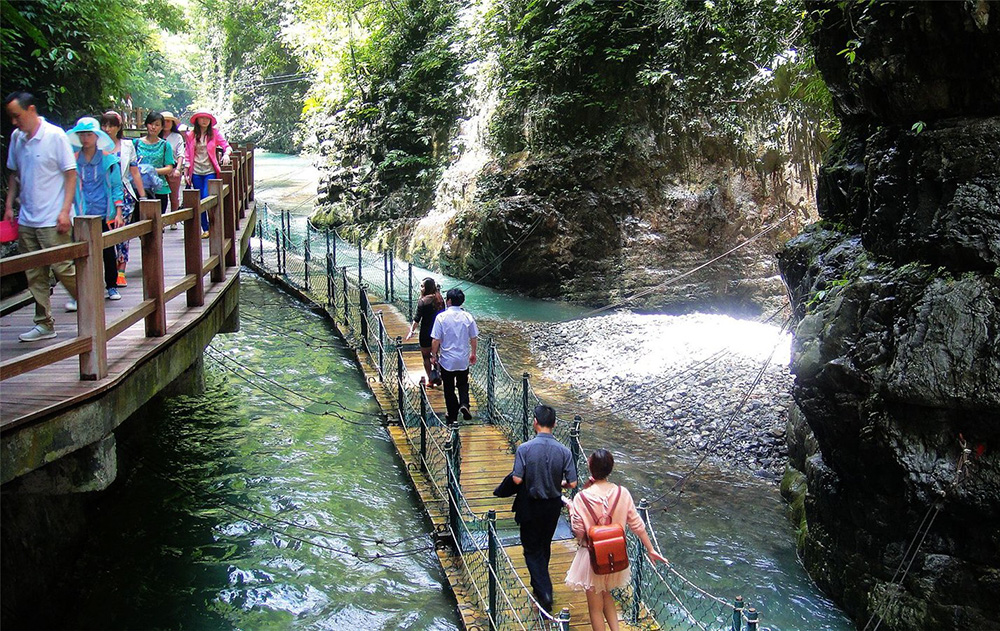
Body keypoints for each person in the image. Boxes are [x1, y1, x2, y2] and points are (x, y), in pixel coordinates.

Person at [3, 91, 79, 342]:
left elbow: (70, 174)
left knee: (63, 268)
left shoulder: (55, 135)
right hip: (27, 218)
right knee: (34, 273)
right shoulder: (17, 138)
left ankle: (91, 306)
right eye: (11, 117)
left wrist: (65, 211)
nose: (15, 121)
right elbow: (14, 173)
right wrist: (9, 205)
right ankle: (44, 322)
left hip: (53, 217)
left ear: (31, 110)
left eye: (17, 116)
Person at [566, 449, 667, 631]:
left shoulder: (581, 497)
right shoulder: (622, 493)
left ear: (590, 467)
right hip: (614, 555)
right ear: (610, 468)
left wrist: (572, 510)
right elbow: (637, 525)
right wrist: (650, 549)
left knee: (595, 607)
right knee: (606, 594)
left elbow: (579, 532)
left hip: (591, 557)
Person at [510, 404, 578, 613]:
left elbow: (517, 479)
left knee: (531, 549)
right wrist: (559, 483)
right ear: (554, 424)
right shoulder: (564, 451)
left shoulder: (525, 449)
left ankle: (545, 592)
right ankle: (538, 588)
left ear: (535, 422)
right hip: (552, 506)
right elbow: (572, 483)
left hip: (531, 503)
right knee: (544, 543)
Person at [67, 117, 124, 301]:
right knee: (81, 252)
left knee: (107, 250)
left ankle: (112, 286)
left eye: (89, 134)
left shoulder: (108, 159)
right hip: (81, 212)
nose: (85, 138)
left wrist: (119, 212)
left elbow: (116, 186)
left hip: (103, 211)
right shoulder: (73, 160)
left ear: (97, 136)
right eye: (82, 135)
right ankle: (82, 290)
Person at [100, 110, 146, 288]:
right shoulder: (97, 145)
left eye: (111, 125)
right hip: (103, 194)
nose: (107, 129)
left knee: (122, 232)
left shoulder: (127, 145)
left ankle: (121, 270)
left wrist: (142, 196)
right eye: (104, 125)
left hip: (125, 194)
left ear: (118, 127)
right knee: (106, 232)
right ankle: (109, 270)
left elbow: (134, 172)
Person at [429, 288, 478, 422]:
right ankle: (464, 404)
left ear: (449, 301)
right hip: (463, 359)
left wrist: (433, 355)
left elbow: (436, 339)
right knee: (463, 384)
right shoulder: (468, 317)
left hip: (447, 360)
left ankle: (452, 415)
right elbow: (473, 337)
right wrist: (473, 353)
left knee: (449, 389)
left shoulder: (441, 317)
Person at [183, 110, 231, 239]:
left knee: (206, 197)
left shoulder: (214, 133)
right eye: (202, 118)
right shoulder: (191, 135)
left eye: (207, 118)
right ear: (197, 120)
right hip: (196, 171)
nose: (204, 121)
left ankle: (213, 225)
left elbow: (226, 146)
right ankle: (205, 228)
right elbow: (187, 152)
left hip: (210, 170)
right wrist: (186, 169)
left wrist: (226, 154)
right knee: (198, 200)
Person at [405, 277, 445, 386]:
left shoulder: (423, 302)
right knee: (435, 354)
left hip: (426, 333)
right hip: (438, 333)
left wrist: (411, 331)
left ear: (427, 288)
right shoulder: (440, 300)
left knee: (426, 357)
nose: (421, 288)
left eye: (422, 286)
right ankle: (438, 375)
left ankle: (430, 380)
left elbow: (417, 319)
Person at [133, 111, 174, 216]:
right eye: (151, 124)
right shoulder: (135, 143)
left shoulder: (165, 145)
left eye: (157, 125)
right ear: (146, 125)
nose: (153, 127)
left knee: (157, 221)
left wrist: (151, 171)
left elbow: (169, 168)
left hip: (160, 189)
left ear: (162, 127)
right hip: (139, 188)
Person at [159, 111, 185, 221]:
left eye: (169, 121)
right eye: (164, 121)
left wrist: (178, 169)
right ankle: (160, 220)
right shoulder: (156, 136)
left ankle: (174, 220)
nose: (166, 124)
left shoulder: (177, 137)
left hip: (173, 168)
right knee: (159, 196)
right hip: (159, 169)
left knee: (174, 196)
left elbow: (180, 154)